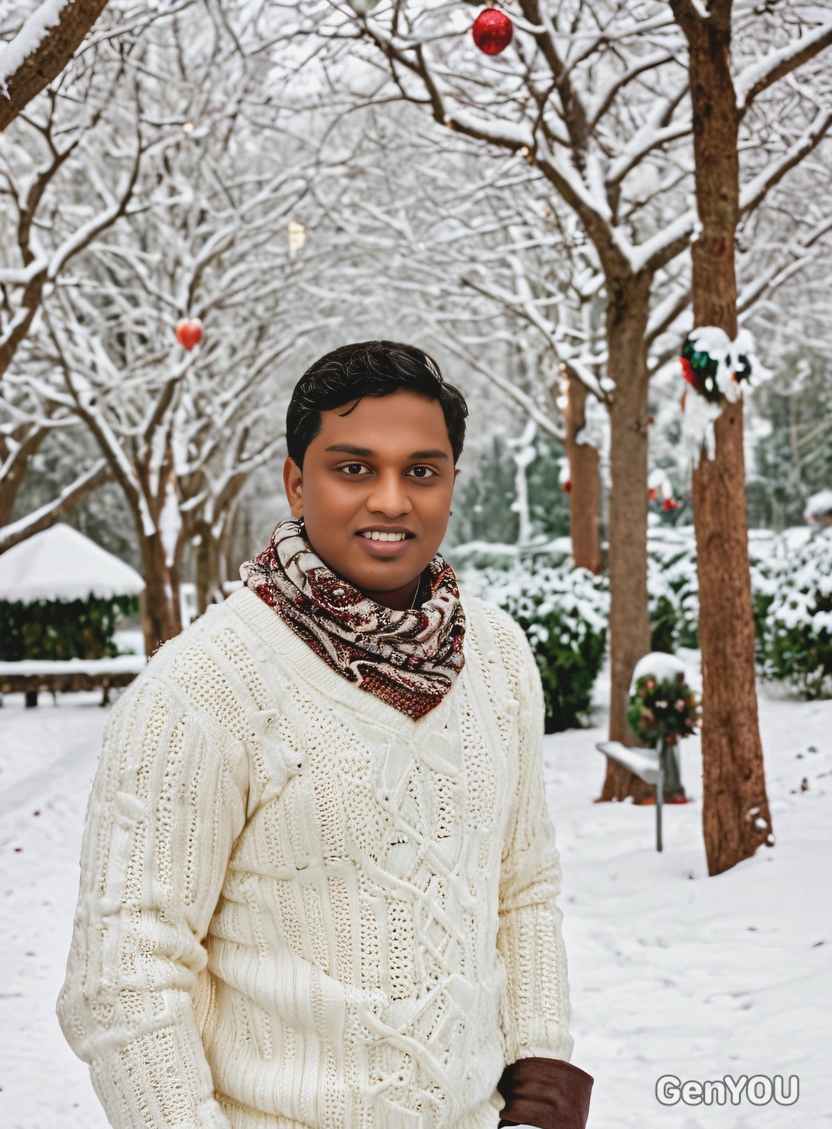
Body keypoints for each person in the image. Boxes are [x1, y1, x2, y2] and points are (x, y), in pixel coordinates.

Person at [57, 340, 594, 1129]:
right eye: (353, 468)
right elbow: (124, 976)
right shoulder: (204, 684)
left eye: (421, 470)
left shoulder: (499, 657)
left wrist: (544, 1091)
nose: (390, 499)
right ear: (296, 484)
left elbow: (524, 889)